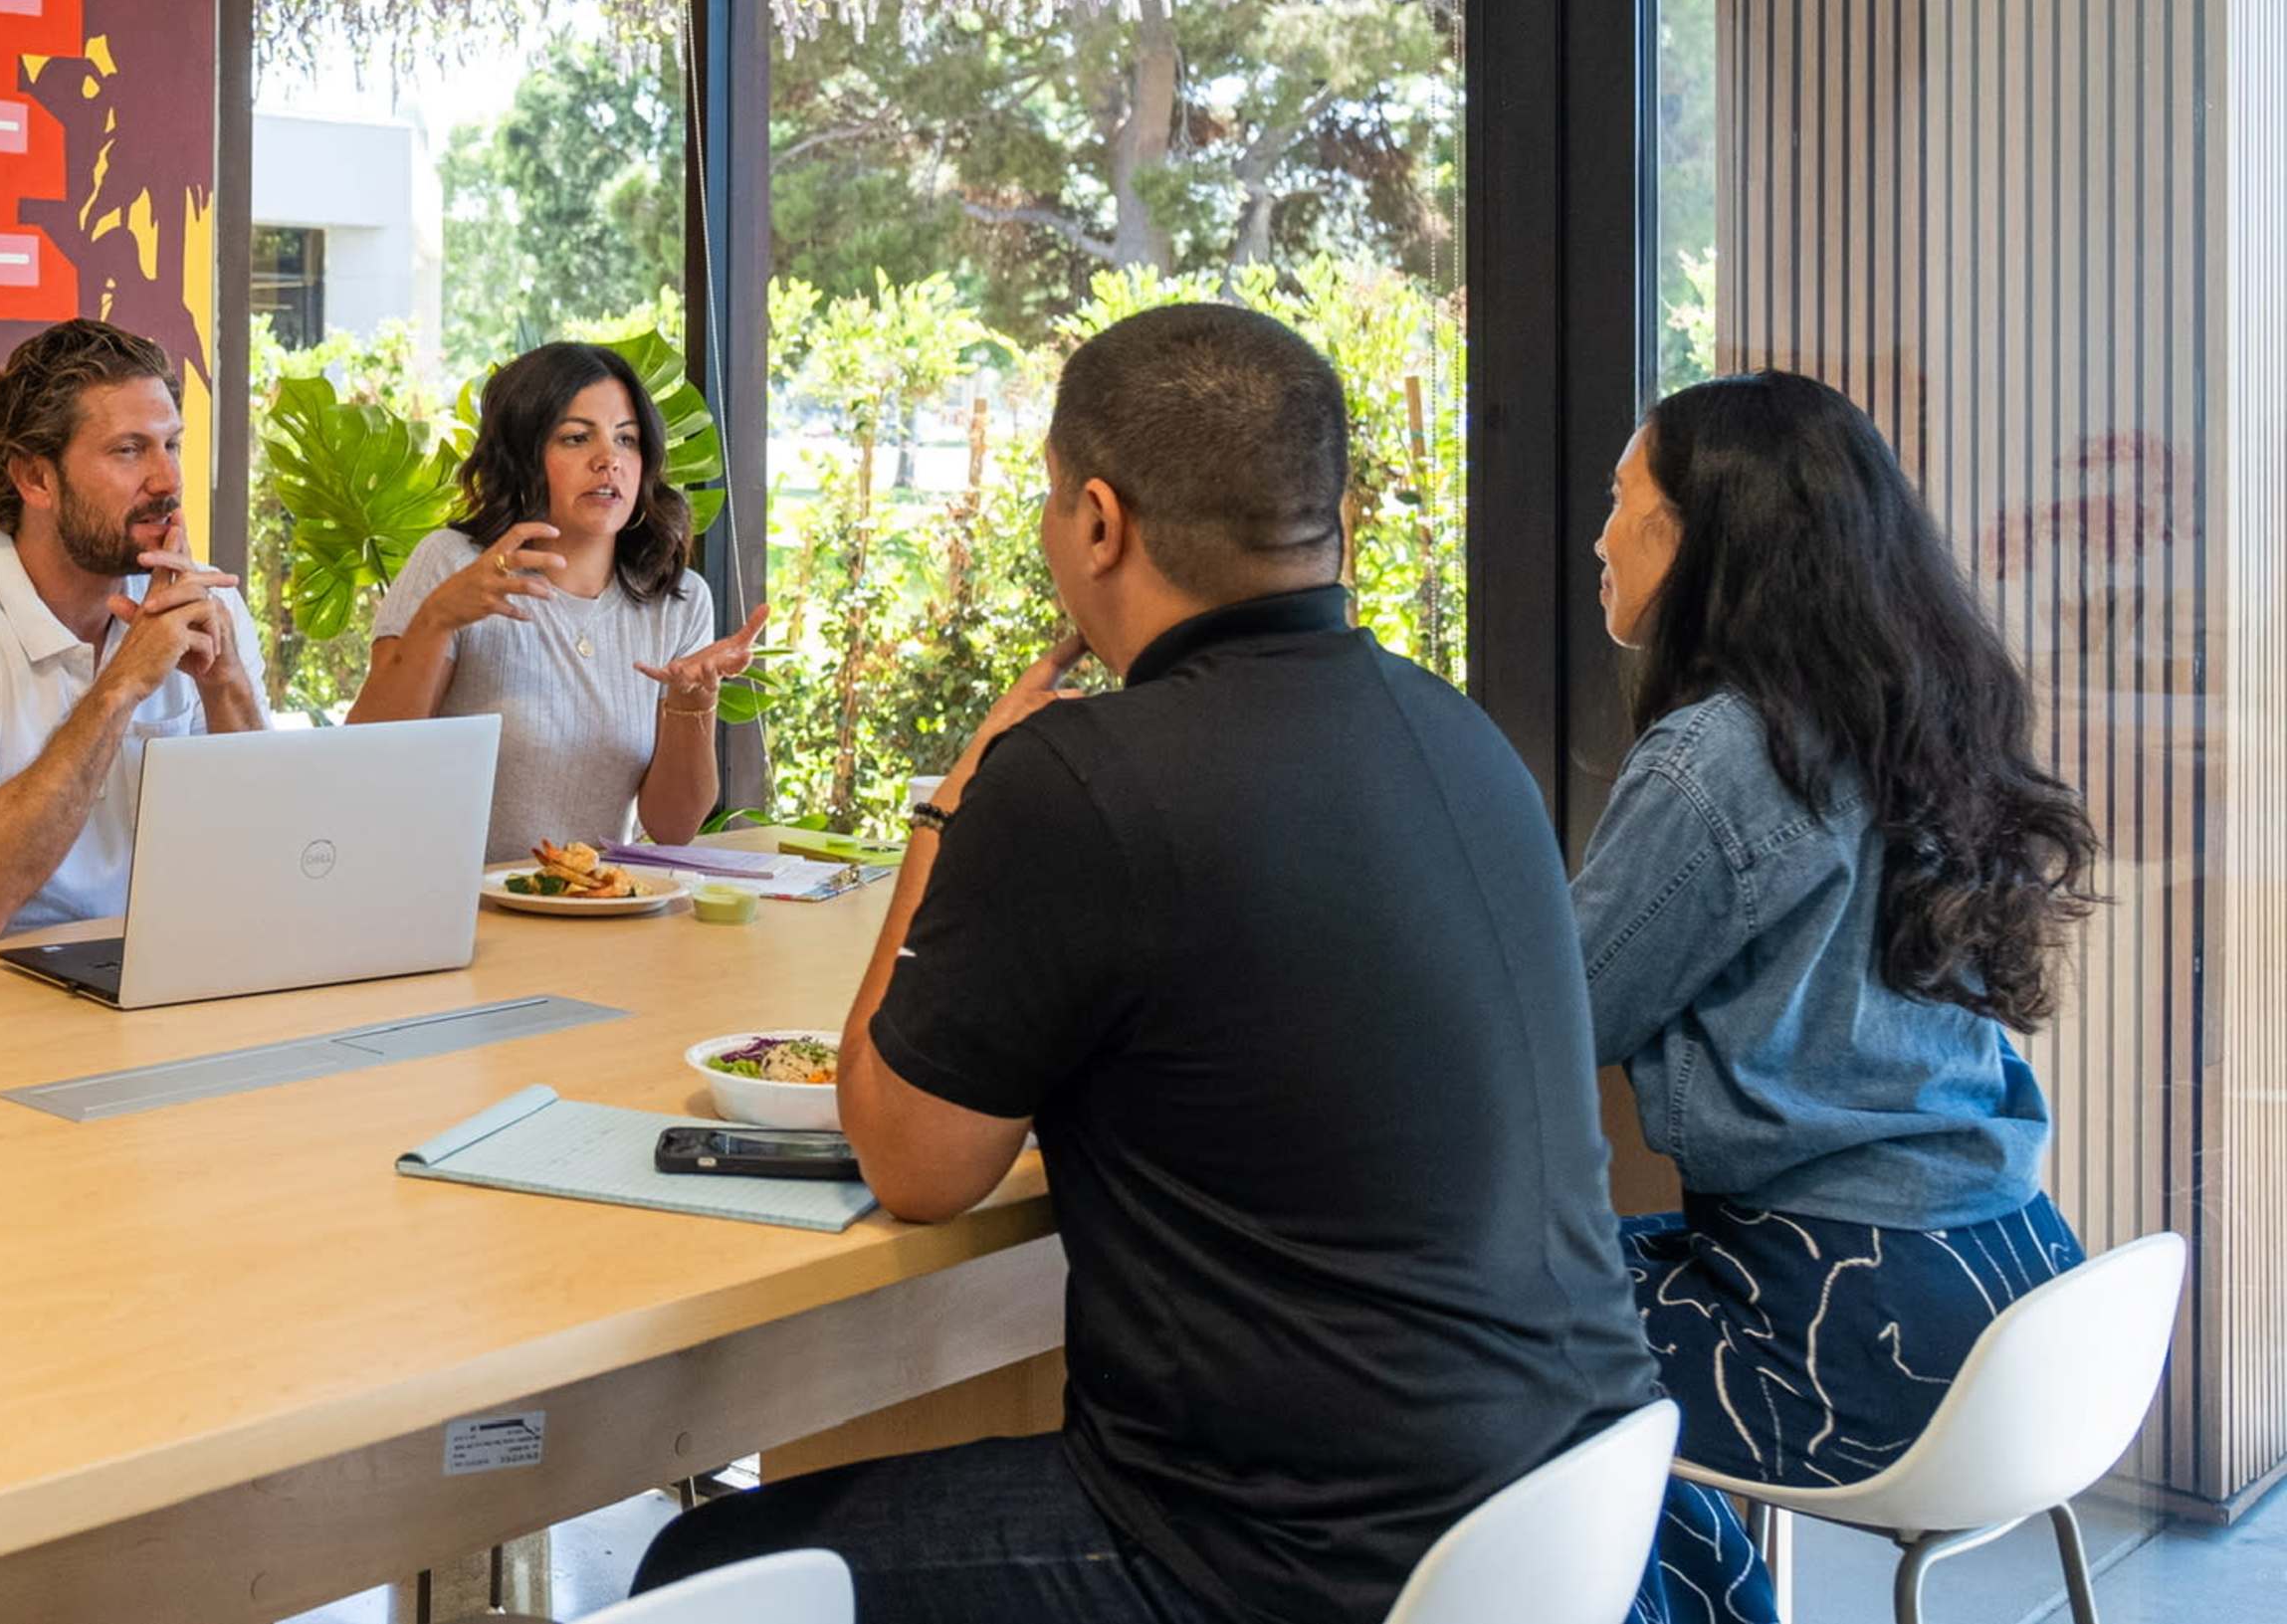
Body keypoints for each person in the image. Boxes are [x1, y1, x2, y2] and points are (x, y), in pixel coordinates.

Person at [636, 303, 1653, 1624]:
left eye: (1053, 503)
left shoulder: (1082, 779)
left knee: (695, 1576)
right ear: (1328, 518)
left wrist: (954, 805)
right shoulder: (1459, 737)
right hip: (1567, 1514)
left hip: (1277, 1560)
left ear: (1101, 522)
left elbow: (915, 1164)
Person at [1581, 373, 2102, 1624]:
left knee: (1489, 1323)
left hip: (1850, 1324)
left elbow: (1557, 1013)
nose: (1599, 535)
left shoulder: (1722, 753)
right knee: (1582, 1280)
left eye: (1619, 498)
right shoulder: (1919, 712)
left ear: (1703, 531)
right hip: (2012, 1289)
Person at [0, 318, 265, 946]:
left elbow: (264, 862)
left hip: (130, 975)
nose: (167, 481)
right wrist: (120, 687)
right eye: (128, 450)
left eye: (170, 445)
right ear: (35, 478)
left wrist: (225, 685)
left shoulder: (200, 611)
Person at [351, 340, 767, 863]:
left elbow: (673, 826)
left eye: (627, 440)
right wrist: (437, 618)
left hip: (596, 908)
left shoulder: (679, 601)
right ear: (523, 455)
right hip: (453, 911)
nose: (608, 461)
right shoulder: (454, 562)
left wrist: (693, 700)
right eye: (575, 438)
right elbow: (367, 761)